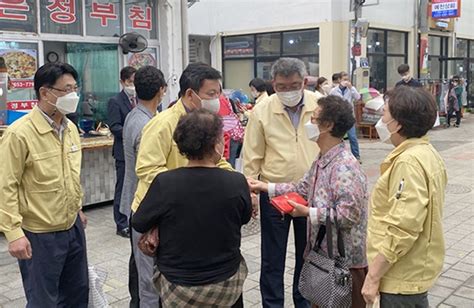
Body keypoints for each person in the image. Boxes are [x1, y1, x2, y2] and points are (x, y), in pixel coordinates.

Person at [249, 95, 369, 307]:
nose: (308, 124)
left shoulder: (344, 167)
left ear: (328, 125)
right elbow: (301, 187)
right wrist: (265, 187)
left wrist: (307, 213)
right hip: (324, 256)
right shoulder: (323, 158)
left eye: (313, 119)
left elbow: (348, 216)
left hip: (344, 263)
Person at [132, 109, 252, 307]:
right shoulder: (236, 182)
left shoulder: (165, 183)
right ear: (215, 144)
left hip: (177, 285)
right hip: (225, 283)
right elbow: (245, 217)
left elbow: (139, 221)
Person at [0, 62, 88, 307]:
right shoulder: (20, 133)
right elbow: (5, 185)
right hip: (40, 233)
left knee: (77, 293)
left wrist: (78, 208)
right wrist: (14, 233)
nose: (73, 95)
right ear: (45, 93)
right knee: (44, 300)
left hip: (72, 227)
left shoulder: (70, 128)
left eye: (75, 88)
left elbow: (70, 175)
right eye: (66, 90)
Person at [243, 57, 320, 308]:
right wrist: (251, 192)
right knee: (272, 257)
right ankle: (272, 304)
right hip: (274, 193)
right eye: (281, 87)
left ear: (305, 81)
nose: (288, 91)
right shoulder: (263, 110)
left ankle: (303, 302)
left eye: (294, 85)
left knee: (307, 256)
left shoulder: (319, 106)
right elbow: (252, 154)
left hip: (309, 192)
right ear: (273, 84)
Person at [362, 86, 447, 307]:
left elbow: (403, 226)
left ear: (398, 123)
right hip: (415, 269)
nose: (381, 118)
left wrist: (373, 277)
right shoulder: (429, 154)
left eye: (385, 113)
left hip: (399, 276)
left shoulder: (407, 162)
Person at [130, 63, 235, 240]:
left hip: (190, 209)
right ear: (189, 94)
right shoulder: (163, 124)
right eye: (211, 94)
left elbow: (217, 160)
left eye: (219, 93)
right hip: (158, 213)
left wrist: (236, 180)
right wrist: (188, 186)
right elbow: (147, 169)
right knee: (155, 266)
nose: (217, 99)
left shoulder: (210, 123)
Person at [120, 66, 167, 308]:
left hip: (134, 201)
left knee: (138, 266)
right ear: (162, 90)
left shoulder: (134, 115)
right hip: (144, 205)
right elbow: (148, 172)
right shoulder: (148, 125)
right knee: (147, 277)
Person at [108, 66, 137, 238]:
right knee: (123, 187)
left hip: (137, 151)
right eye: (129, 82)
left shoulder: (140, 99)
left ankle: (132, 218)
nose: (132, 85)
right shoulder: (116, 101)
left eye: (135, 82)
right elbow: (114, 126)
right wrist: (133, 131)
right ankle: (121, 223)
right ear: (122, 82)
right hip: (123, 152)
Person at [330, 71, 361, 162]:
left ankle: (356, 156)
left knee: (352, 137)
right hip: (338, 117)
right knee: (337, 137)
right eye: (344, 79)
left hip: (349, 116)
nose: (346, 81)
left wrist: (351, 88)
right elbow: (331, 102)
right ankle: (336, 156)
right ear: (339, 80)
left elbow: (358, 97)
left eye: (347, 79)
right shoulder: (334, 91)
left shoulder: (351, 89)